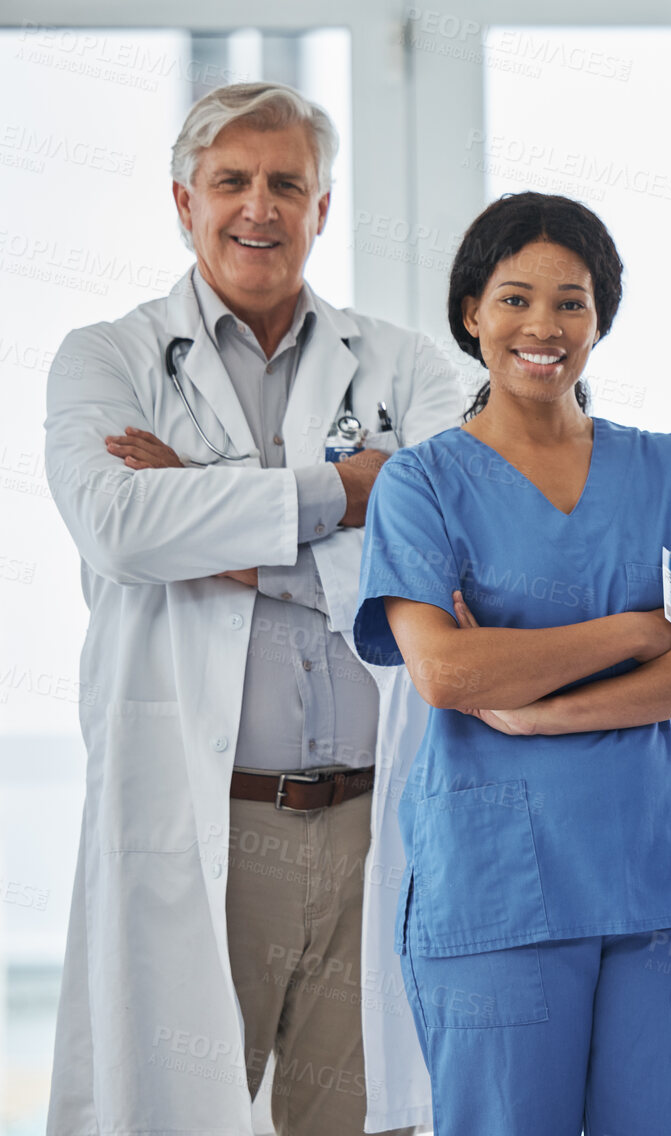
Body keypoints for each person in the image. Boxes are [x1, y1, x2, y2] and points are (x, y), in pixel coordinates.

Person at [43, 82, 461, 1135]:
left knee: (359, 1118)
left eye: (288, 183)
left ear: (324, 209)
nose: (258, 208)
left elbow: (458, 538)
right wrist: (348, 489)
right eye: (231, 182)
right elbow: (123, 525)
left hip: (372, 818)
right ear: (184, 202)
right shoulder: (107, 358)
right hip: (204, 813)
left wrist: (221, 520)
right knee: (175, 1108)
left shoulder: (405, 363)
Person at [350, 190, 671, 1135]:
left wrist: (546, 704)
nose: (544, 326)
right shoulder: (423, 482)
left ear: (600, 319)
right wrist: (639, 630)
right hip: (499, 891)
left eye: (572, 302)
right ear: (470, 314)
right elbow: (447, 675)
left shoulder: (668, 467)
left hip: (666, 881)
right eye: (515, 298)